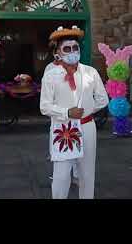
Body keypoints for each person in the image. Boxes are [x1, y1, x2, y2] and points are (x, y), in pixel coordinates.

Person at [40, 26, 109, 199]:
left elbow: (103, 99)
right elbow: (44, 106)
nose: (72, 52)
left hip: (87, 127)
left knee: (87, 173)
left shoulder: (90, 73)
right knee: (61, 174)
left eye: (75, 48)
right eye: (67, 49)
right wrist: (67, 112)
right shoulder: (50, 76)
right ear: (58, 53)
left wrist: (86, 111)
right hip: (62, 129)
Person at [44, 42, 79, 187]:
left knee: (78, 146)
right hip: (59, 117)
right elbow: (47, 98)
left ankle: (77, 175)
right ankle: (60, 177)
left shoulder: (79, 69)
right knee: (60, 148)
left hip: (77, 115)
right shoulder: (50, 69)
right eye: (65, 50)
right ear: (57, 52)